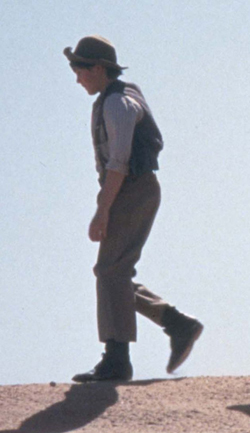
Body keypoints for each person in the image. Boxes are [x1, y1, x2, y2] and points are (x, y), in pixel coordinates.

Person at [64, 35, 203, 382]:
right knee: (114, 271)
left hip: (131, 189)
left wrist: (102, 210)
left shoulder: (116, 105)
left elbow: (118, 164)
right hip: (130, 189)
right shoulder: (118, 96)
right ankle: (177, 324)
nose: (77, 78)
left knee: (110, 271)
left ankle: (117, 360)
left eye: (80, 70)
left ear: (97, 69)